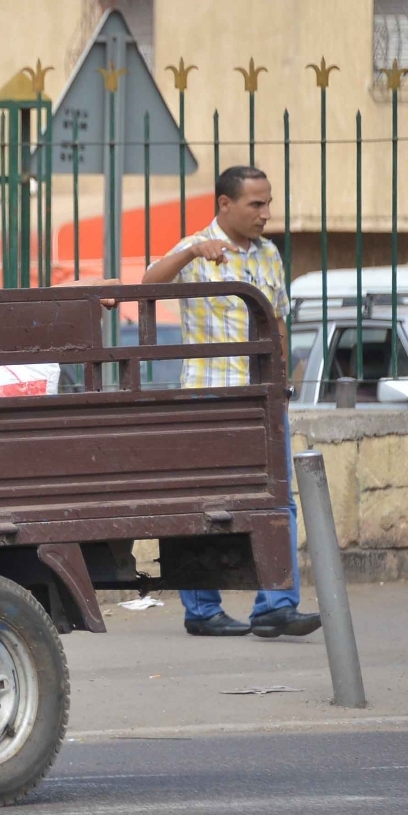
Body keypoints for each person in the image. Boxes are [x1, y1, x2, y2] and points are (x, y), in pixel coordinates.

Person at [142, 165, 321, 639]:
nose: (265, 213)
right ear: (225, 204)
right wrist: (188, 254)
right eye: (255, 205)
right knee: (205, 503)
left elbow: (277, 319)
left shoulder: (269, 254)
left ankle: (276, 606)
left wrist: (280, 383)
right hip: (209, 395)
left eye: (267, 203)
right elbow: (146, 286)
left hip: (261, 397)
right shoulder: (195, 248)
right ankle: (202, 610)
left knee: (279, 499)